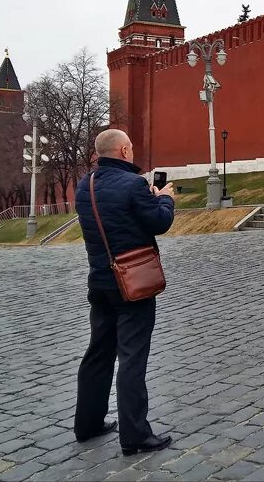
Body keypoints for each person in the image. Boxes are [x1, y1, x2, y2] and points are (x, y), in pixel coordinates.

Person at [73, 129, 176, 455]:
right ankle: (135, 435)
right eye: (130, 147)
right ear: (123, 150)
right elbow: (159, 222)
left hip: (100, 282)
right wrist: (165, 198)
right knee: (132, 358)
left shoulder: (84, 185)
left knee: (98, 354)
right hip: (132, 284)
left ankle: (88, 424)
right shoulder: (134, 185)